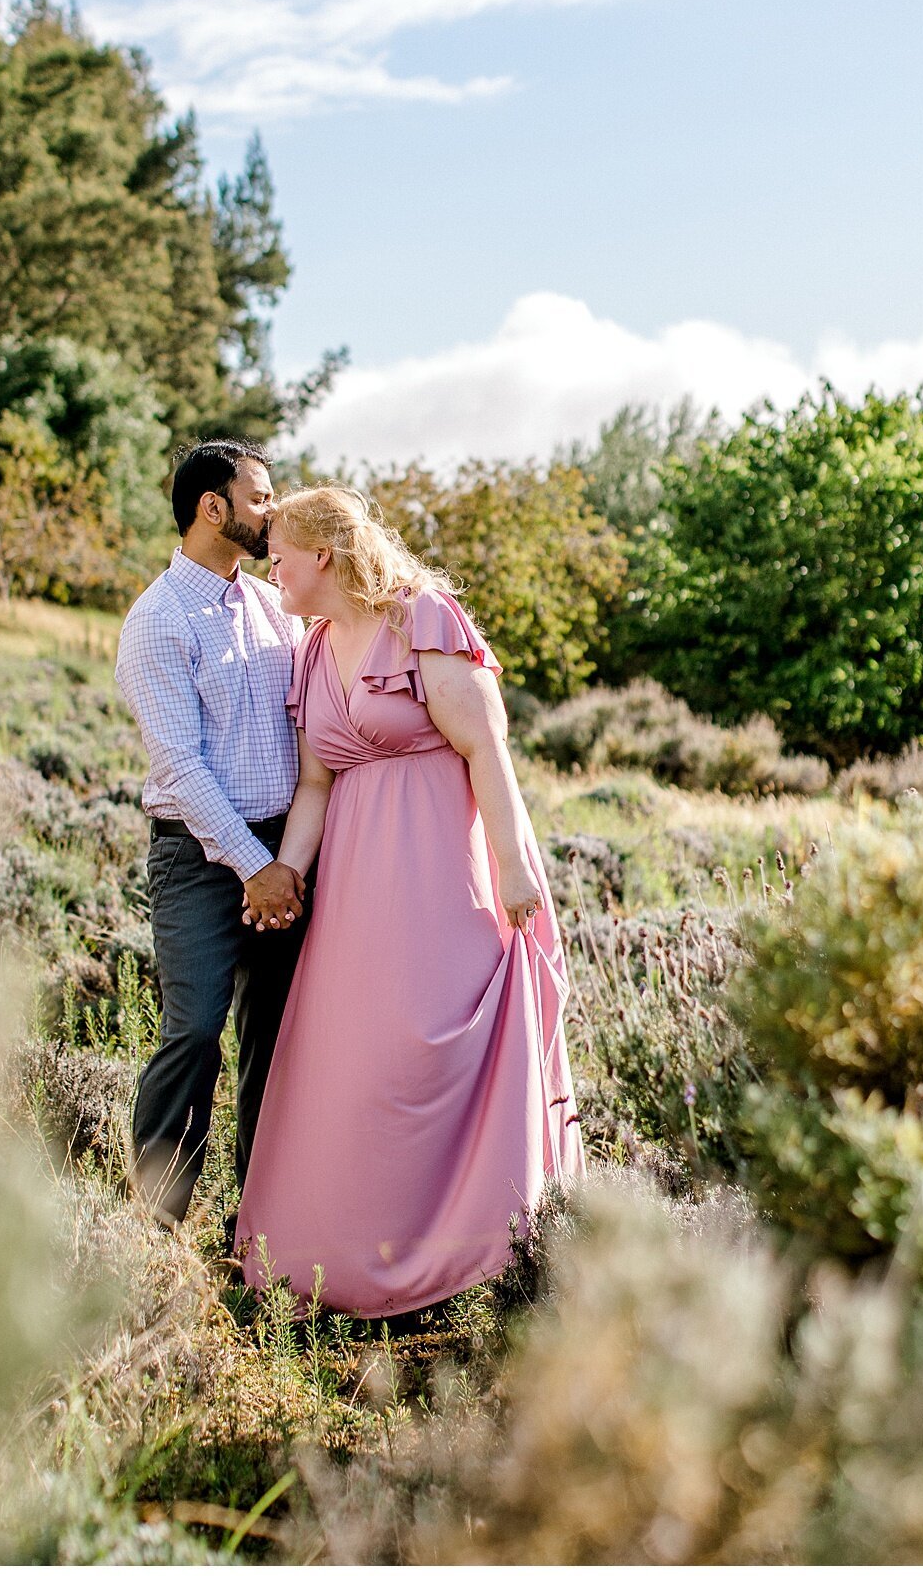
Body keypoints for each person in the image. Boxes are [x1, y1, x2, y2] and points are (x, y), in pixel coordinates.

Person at [234, 485, 587, 1317]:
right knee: (356, 1066)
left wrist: (512, 868)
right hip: (356, 889)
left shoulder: (422, 617)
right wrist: (284, 874)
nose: (270, 566)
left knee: (436, 1050)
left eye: (280, 552)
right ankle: (344, 1260)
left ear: (322, 556)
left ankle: (467, 1259)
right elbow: (316, 786)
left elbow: (485, 748)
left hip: (443, 870)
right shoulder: (314, 649)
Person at [115, 440, 313, 1231]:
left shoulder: (272, 607)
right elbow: (182, 769)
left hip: (284, 852)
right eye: (261, 498)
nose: (275, 512)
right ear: (213, 507)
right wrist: (256, 867)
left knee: (276, 1036)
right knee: (195, 1031)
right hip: (199, 857)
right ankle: (153, 1231)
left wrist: (285, 860)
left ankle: (259, 1227)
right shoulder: (158, 621)